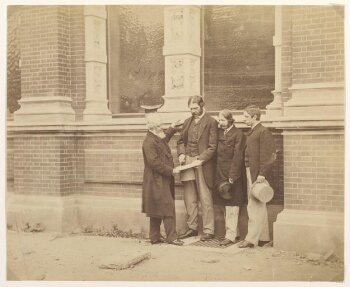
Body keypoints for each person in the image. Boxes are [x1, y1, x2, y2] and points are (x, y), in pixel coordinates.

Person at [177, 95, 218, 241]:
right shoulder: (187, 122)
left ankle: (208, 230)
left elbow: (213, 146)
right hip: (188, 160)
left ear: (202, 106)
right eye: (191, 109)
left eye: (195, 108)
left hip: (203, 163)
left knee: (205, 197)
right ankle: (192, 227)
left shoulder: (212, 122)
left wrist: (201, 159)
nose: (193, 111)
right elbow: (181, 141)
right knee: (189, 197)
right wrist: (182, 154)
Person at [141, 113, 184, 246]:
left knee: (156, 207)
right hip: (156, 180)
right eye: (160, 126)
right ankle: (171, 237)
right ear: (153, 128)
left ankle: (154, 237)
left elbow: (164, 140)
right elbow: (154, 163)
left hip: (158, 179)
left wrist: (172, 127)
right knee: (168, 206)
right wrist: (171, 170)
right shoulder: (148, 142)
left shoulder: (154, 137)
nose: (162, 128)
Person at [239, 105, 276, 248]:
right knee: (260, 204)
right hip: (253, 172)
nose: (244, 119)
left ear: (255, 117)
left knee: (254, 206)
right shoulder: (254, 131)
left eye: (246, 117)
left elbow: (269, 156)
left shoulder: (263, 131)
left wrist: (262, 174)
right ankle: (264, 238)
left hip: (258, 175)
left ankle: (250, 240)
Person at [213, 109, 247, 246]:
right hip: (220, 174)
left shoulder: (238, 134)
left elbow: (238, 156)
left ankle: (231, 235)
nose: (220, 123)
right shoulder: (221, 132)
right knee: (225, 205)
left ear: (230, 120)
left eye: (222, 120)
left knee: (233, 206)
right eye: (219, 120)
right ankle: (233, 233)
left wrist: (232, 176)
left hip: (233, 175)